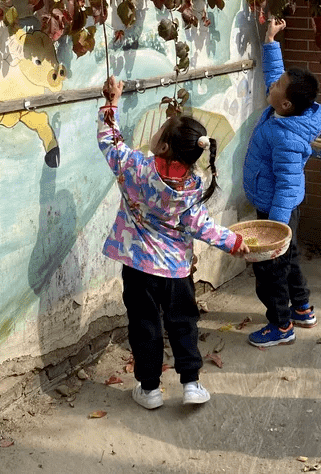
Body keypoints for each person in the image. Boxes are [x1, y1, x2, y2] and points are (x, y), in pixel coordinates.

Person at [98, 76, 249, 409]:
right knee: (183, 324)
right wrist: (234, 242)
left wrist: (111, 102)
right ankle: (191, 383)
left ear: (163, 146)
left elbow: (110, 141)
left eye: (160, 130)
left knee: (144, 326)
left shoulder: (134, 168)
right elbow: (203, 226)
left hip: (138, 270)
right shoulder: (193, 185)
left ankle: (149, 389)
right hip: (177, 273)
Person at [242, 18, 321, 347]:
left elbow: (288, 185)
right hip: (280, 207)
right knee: (289, 261)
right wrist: (270, 40)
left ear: (285, 103)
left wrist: (275, 230)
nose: (273, 85)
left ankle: (280, 325)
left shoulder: (286, 136)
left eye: (277, 86)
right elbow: (277, 77)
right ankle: (302, 308)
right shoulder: (288, 112)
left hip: (279, 210)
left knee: (270, 269)